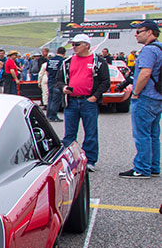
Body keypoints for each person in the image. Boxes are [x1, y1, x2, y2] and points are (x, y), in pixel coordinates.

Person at [56, 34, 110, 172]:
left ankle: (90, 160)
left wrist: (95, 96)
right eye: (73, 44)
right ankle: (68, 160)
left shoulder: (98, 61)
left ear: (86, 45)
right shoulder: (67, 62)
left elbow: (105, 82)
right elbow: (59, 80)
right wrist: (64, 88)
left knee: (91, 132)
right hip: (72, 100)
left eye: (77, 44)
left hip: (88, 100)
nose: (74, 47)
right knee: (69, 133)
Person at [120, 21, 162, 179]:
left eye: (139, 31)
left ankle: (142, 168)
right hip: (158, 97)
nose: (136, 34)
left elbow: (145, 73)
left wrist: (136, 92)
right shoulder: (160, 48)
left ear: (150, 32)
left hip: (146, 97)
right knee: (153, 134)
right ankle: (153, 166)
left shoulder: (149, 50)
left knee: (142, 134)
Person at [45, 47, 67, 122]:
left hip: (50, 80)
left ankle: (48, 115)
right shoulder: (62, 61)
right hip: (57, 81)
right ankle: (53, 116)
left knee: (50, 98)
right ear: (64, 53)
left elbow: (47, 71)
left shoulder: (50, 60)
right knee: (56, 100)